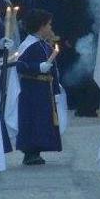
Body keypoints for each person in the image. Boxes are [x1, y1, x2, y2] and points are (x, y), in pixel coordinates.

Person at [13, 9, 64, 165]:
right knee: (32, 120)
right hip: (32, 91)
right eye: (48, 25)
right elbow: (20, 65)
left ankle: (37, 149)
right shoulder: (28, 45)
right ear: (41, 26)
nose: (50, 28)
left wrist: (56, 87)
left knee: (42, 121)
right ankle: (30, 151)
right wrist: (37, 67)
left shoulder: (43, 44)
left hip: (43, 90)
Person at [59, 0, 100, 117]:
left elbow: (69, 12)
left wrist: (68, 36)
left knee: (80, 67)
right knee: (96, 67)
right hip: (99, 33)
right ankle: (93, 105)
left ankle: (80, 104)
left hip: (78, 34)